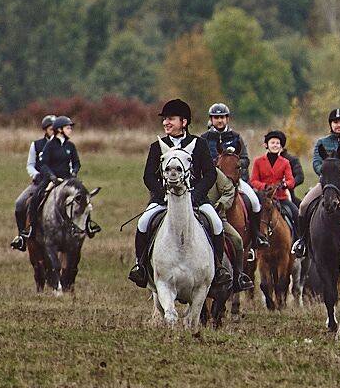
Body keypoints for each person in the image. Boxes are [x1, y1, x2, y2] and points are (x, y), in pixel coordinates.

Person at [129, 99, 238, 294]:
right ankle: (141, 267)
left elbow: (210, 174)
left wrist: (196, 195)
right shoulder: (157, 146)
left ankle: (219, 269)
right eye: (165, 120)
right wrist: (162, 194)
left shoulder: (199, 144)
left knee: (216, 224)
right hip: (163, 200)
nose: (166, 123)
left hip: (195, 200)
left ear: (184, 122)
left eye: (171, 119)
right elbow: (148, 176)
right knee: (143, 223)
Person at [200, 103, 265, 259]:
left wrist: (233, 165)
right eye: (216, 118)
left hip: (235, 180)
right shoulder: (204, 139)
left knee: (255, 202)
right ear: (211, 119)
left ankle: (256, 236)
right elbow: (200, 161)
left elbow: (246, 159)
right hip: (213, 181)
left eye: (222, 117)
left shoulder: (236, 137)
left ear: (227, 118)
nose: (219, 121)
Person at [298, 108, 340, 259]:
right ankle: (302, 241)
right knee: (303, 205)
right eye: (335, 122)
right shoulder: (321, 143)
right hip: (326, 184)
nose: (338, 125)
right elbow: (316, 163)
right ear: (330, 124)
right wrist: (327, 174)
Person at [10, 114, 56, 252]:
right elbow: (30, 165)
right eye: (51, 128)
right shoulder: (36, 145)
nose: (53, 130)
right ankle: (22, 237)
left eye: (56, 128)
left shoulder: (64, 145)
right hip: (40, 182)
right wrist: (36, 175)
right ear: (45, 129)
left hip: (59, 182)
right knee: (19, 203)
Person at [252, 130, 301, 235]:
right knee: (251, 214)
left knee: (296, 213)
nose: (275, 145)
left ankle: (300, 242)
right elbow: (253, 181)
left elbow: (291, 180)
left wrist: (284, 185)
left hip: (281, 198)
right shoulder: (258, 161)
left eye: (277, 143)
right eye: (272, 143)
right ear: (266, 145)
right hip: (263, 198)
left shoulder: (285, 162)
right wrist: (264, 186)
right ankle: (254, 240)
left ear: (281, 146)